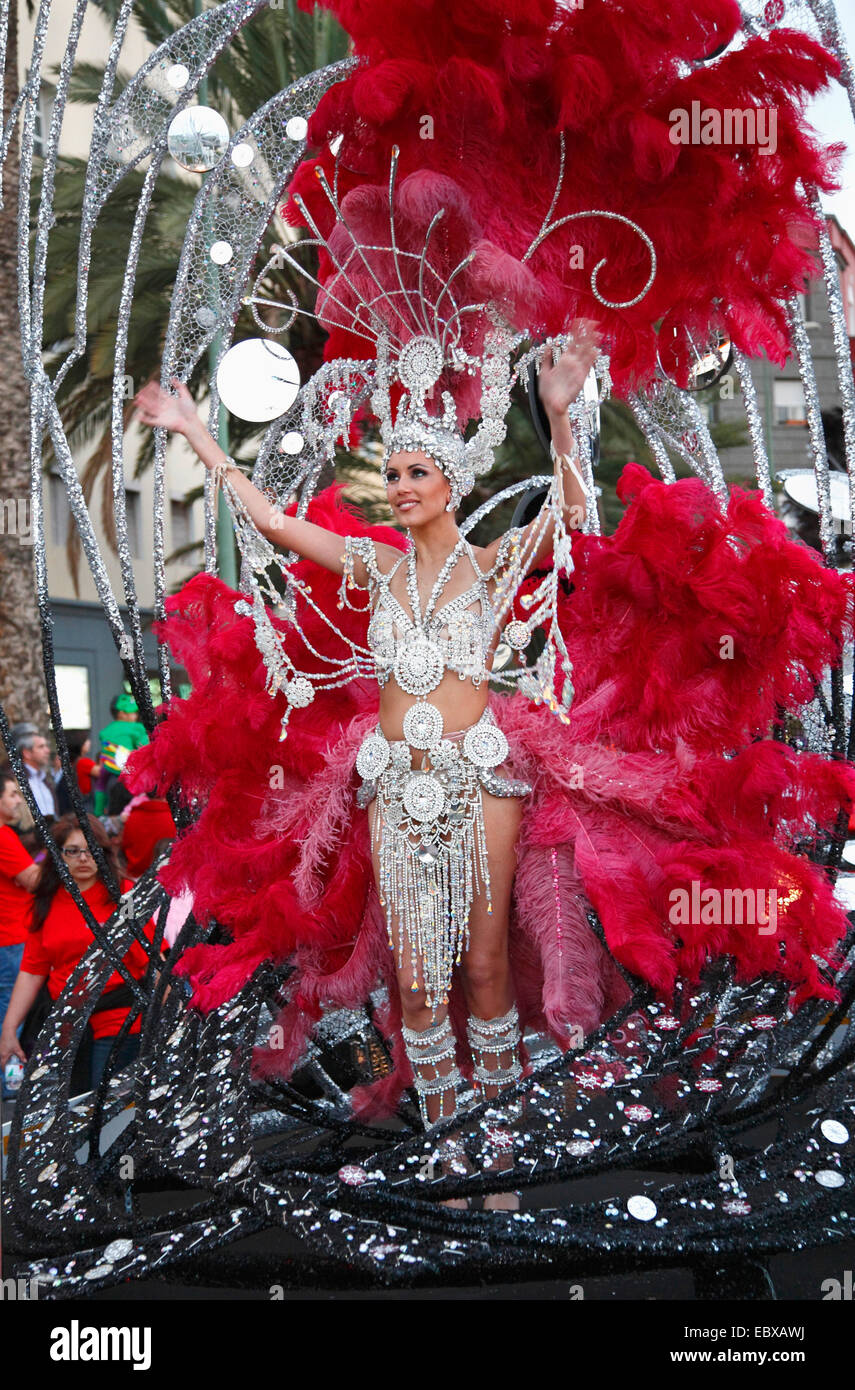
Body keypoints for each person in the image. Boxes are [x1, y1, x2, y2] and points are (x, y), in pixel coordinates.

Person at [0, 814, 158, 1091]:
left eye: (91, 850)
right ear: (58, 855)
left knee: (102, 1108)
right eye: (72, 851)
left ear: (104, 853)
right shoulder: (46, 900)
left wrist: (170, 1014)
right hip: (67, 1024)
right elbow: (32, 969)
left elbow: (153, 958)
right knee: (69, 1109)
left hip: (118, 1018)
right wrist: (9, 1029)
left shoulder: (125, 894)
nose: (83, 858)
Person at [0, 768, 40, 1099]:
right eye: (12, 794)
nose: (18, 800)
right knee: (10, 1012)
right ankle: (10, 1085)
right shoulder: (3, 836)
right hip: (10, 936)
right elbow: (34, 880)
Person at [95, 695, 149, 814]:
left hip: (108, 766)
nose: (135, 715)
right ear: (121, 713)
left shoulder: (106, 730)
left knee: (100, 784)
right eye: (132, 712)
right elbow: (144, 746)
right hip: (127, 768)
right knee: (138, 787)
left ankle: (98, 813)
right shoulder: (136, 728)